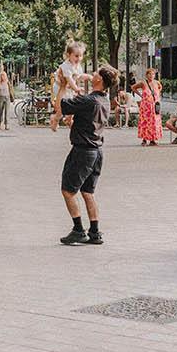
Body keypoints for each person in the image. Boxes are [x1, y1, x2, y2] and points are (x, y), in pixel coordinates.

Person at [55, 63, 117, 246]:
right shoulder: (103, 100)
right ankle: (95, 232)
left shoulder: (89, 100)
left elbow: (60, 106)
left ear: (99, 80)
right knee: (88, 192)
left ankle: (78, 230)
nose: (92, 74)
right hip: (97, 151)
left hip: (83, 151)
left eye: (96, 73)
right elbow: (89, 121)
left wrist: (63, 85)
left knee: (68, 190)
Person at [50, 40, 87, 132]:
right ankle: (55, 119)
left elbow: (79, 76)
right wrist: (76, 89)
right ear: (68, 55)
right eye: (76, 56)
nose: (79, 58)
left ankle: (68, 119)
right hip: (60, 88)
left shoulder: (77, 66)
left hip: (68, 89)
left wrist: (89, 77)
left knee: (72, 106)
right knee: (62, 108)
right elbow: (69, 79)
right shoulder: (66, 66)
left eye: (81, 56)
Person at [136, 70, 162, 146]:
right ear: (146, 75)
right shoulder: (143, 83)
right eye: (149, 74)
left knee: (154, 122)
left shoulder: (157, 83)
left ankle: (152, 139)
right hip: (146, 106)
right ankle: (144, 139)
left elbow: (160, 88)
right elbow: (133, 87)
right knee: (145, 122)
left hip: (154, 106)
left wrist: (156, 96)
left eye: (153, 74)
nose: (151, 76)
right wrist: (141, 96)